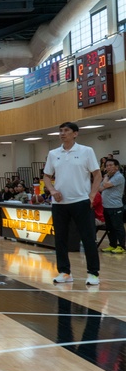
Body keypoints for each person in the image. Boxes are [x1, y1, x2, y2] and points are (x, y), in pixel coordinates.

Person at [43, 122, 101, 286]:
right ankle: (64, 272)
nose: (63, 133)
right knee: (60, 239)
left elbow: (97, 175)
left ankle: (93, 274)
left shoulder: (86, 151)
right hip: (59, 204)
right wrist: (52, 191)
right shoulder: (53, 153)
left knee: (88, 238)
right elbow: (46, 176)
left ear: (75, 133)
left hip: (81, 202)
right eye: (60, 131)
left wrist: (92, 195)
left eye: (66, 131)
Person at [98, 157, 125, 254]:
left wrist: (105, 177)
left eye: (110, 165)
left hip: (116, 207)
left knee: (118, 227)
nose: (108, 167)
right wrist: (106, 179)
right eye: (107, 166)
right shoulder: (109, 178)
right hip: (106, 207)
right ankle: (112, 245)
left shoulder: (119, 177)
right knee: (110, 228)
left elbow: (104, 186)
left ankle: (122, 246)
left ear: (117, 167)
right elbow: (100, 189)